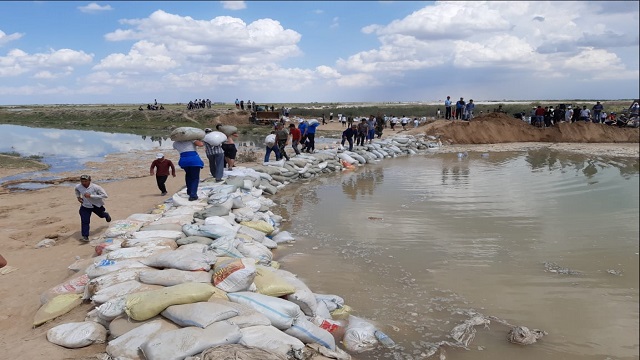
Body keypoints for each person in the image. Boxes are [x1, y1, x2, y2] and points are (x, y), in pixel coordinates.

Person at [75, 174, 111, 241]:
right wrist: (78, 197)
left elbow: (105, 195)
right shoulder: (78, 186)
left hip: (96, 205)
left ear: (90, 181)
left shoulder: (96, 187)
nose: (84, 183)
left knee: (101, 215)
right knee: (85, 221)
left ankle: (106, 215)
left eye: (86, 181)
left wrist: (91, 196)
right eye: (82, 181)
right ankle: (85, 236)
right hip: (85, 206)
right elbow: (76, 190)